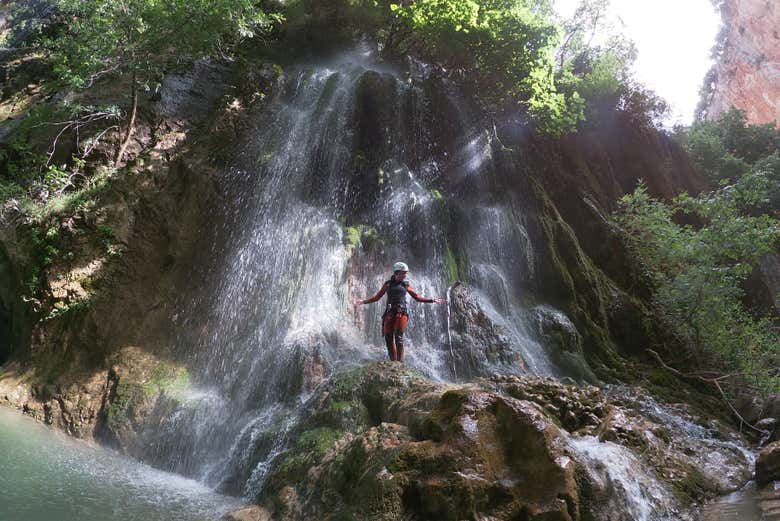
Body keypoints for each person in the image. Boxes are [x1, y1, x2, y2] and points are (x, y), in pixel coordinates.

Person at [352, 261, 446, 362]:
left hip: (401, 312)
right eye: (403, 272)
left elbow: (417, 297)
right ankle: (393, 362)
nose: (405, 275)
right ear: (397, 273)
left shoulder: (406, 284)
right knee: (388, 337)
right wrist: (363, 302)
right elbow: (377, 297)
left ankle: (400, 363)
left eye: (406, 273)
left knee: (398, 336)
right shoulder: (387, 284)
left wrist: (432, 300)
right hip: (390, 312)